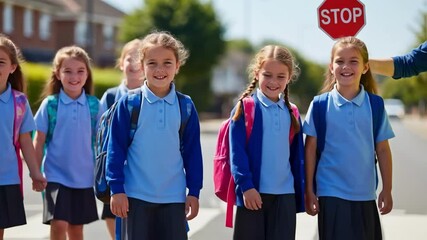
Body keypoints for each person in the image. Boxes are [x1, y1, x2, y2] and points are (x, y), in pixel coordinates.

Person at [106, 31, 203, 240]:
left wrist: (194, 191)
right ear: (142, 67)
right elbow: (116, 148)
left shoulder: (185, 106)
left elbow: (193, 154)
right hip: (135, 197)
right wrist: (116, 189)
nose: (160, 69)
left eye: (167, 62)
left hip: (174, 198)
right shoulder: (129, 103)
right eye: (152, 63)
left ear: (177, 66)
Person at [303, 37, 394, 240]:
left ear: (365, 67)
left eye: (353, 61)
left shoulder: (375, 105)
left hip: (365, 193)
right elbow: (309, 149)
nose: (346, 66)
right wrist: (308, 190)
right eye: (340, 61)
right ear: (331, 66)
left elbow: (383, 150)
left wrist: (387, 189)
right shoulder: (319, 105)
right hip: (330, 192)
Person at [228, 45, 305, 240]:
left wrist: (304, 192)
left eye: (281, 76)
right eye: (267, 75)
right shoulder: (245, 108)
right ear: (257, 73)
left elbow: (298, 157)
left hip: (285, 196)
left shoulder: (293, 112)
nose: (273, 81)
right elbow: (237, 153)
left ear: (289, 78)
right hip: (253, 195)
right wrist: (246, 186)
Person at [33, 46, 102, 240]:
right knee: (58, 223)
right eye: (68, 71)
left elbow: (103, 142)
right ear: (57, 73)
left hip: (84, 177)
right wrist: (36, 172)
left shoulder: (95, 105)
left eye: (80, 71)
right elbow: (38, 140)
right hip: (55, 176)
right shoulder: (51, 104)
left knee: (76, 229)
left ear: (87, 74)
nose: (74, 77)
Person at [0, 34, 46, 240]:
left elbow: (25, 140)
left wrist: (35, 173)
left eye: (0, 62)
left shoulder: (19, 102)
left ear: (12, 67)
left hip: (6, 177)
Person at [99, 39, 143, 240]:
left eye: (138, 58)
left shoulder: (151, 97)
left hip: (141, 173)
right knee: (114, 221)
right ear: (120, 63)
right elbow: (99, 136)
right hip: (114, 172)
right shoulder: (110, 97)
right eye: (128, 58)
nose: (133, 63)